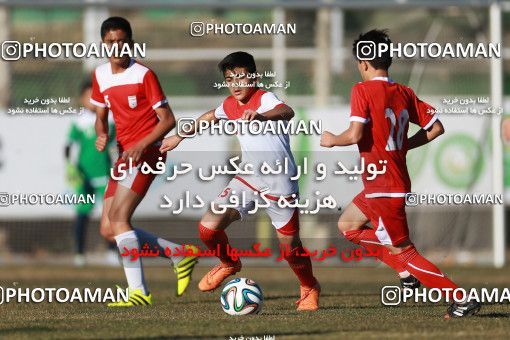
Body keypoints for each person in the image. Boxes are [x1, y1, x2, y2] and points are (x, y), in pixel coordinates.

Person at [320, 29, 481, 318]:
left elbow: (356, 133)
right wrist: (404, 145)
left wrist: (333, 139)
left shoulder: (362, 90)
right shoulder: (404, 92)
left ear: (363, 63)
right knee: (348, 225)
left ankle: (461, 299)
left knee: (404, 249)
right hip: (388, 180)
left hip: (383, 186)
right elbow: (436, 128)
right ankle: (406, 272)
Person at [160, 51, 320, 311]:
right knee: (208, 228)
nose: (235, 84)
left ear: (254, 77)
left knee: (290, 247)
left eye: (241, 77)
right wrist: (179, 137)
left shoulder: (264, 98)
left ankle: (309, 286)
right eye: (229, 79)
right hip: (248, 178)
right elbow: (210, 116)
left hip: (279, 181)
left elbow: (286, 111)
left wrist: (261, 116)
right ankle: (229, 263)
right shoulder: (229, 105)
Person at [90, 16, 198, 306]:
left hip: (148, 153)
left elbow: (168, 120)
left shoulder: (144, 74)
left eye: (123, 41)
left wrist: (141, 144)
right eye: (111, 42)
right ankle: (179, 254)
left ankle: (138, 292)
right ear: (103, 44)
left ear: (131, 42)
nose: (118, 46)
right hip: (126, 155)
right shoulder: (100, 75)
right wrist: (100, 135)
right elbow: (100, 118)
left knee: (120, 219)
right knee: (107, 228)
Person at [65, 81, 118, 267]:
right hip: (84, 175)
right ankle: (79, 253)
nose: (92, 101)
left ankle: (112, 252)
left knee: (110, 215)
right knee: (82, 214)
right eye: (88, 97)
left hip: (105, 173)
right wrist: (70, 168)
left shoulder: (110, 119)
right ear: (82, 99)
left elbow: (117, 144)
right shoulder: (79, 120)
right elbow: (68, 146)